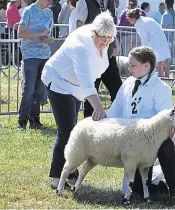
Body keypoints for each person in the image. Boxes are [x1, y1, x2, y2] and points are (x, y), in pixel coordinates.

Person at [108, 46, 175, 203]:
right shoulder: (128, 83)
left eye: (133, 65)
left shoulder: (161, 89)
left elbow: (167, 122)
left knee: (166, 144)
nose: (129, 68)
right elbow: (115, 111)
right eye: (129, 65)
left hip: (152, 142)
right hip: (131, 141)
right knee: (139, 192)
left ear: (147, 66)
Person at [42, 11, 116, 189]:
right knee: (66, 130)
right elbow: (86, 81)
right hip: (59, 82)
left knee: (74, 128)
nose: (106, 42)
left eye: (110, 38)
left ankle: (70, 170)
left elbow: (95, 74)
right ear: (94, 33)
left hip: (76, 88)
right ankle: (56, 177)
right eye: (103, 38)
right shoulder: (81, 45)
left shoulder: (104, 41)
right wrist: (98, 108)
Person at [75, 0, 123, 119]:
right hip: (91, 53)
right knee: (92, 89)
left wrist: (114, 46)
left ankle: (117, 119)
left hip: (108, 53)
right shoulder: (84, 2)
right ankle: (88, 122)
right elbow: (79, 25)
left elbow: (113, 27)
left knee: (117, 89)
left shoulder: (110, 2)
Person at [17, 0, 54, 129]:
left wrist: (49, 39)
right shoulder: (28, 11)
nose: (51, 2)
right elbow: (21, 33)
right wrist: (40, 34)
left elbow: (49, 34)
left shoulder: (49, 12)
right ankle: (22, 120)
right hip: (30, 55)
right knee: (29, 89)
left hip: (44, 54)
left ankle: (35, 119)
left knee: (39, 90)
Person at [126, 8, 171, 81]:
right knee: (161, 60)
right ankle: (163, 78)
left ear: (133, 18)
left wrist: (144, 51)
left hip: (157, 40)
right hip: (157, 39)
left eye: (128, 18)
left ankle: (166, 79)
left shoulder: (140, 24)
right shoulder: (141, 21)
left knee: (162, 60)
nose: (128, 20)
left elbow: (144, 39)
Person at [159, 0, 175, 78]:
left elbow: (163, 27)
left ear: (165, 4)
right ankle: (167, 75)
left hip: (166, 39)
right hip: (173, 38)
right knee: (168, 59)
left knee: (163, 59)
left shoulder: (166, 15)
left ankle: (164, 75)